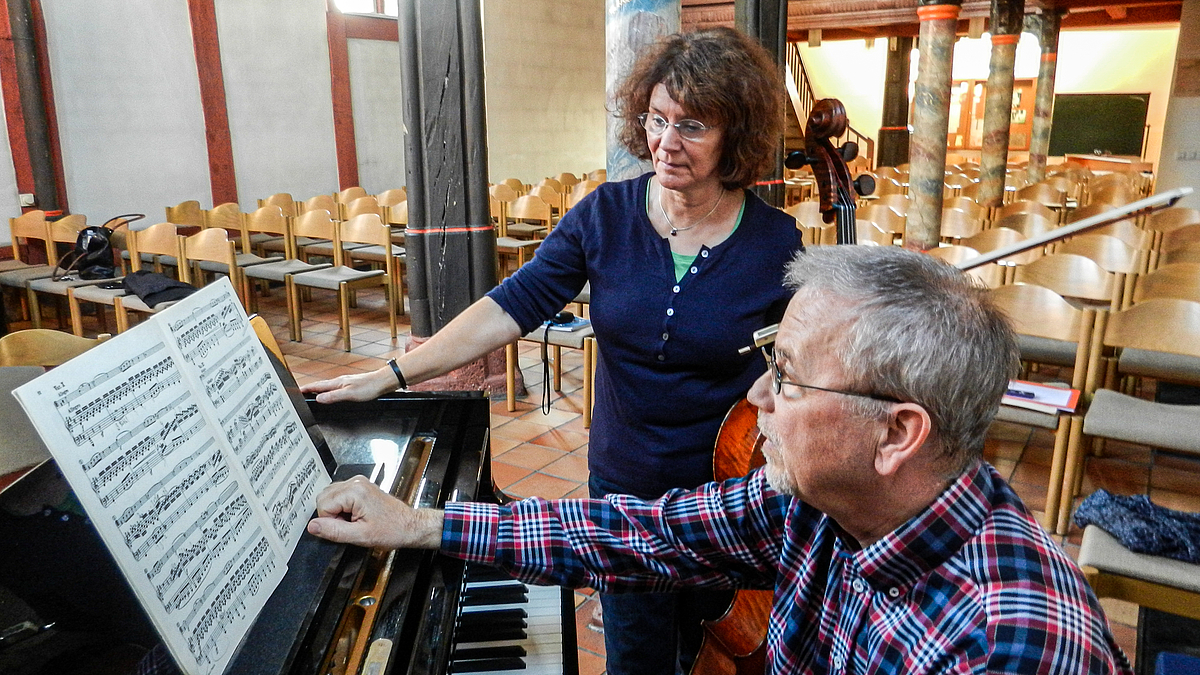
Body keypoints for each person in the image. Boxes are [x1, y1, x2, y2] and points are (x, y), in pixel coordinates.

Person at [308, 246, 1135, 675]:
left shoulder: (1002, 646)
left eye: (788, 375)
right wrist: (424, 523)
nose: (759, 396)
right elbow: (640, 531)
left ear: (897, 434)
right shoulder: (818, 501)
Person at [302, 27, 802, 675]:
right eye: (657, 119)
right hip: (622, 482)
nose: (667, 142)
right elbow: (510, 304)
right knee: (635, 658)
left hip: (722, 496)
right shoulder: (605, 215)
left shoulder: (774, 242)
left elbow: (798, 368)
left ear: (737, 132)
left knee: (717, 652)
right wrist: (391, 375)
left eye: (693, 125)